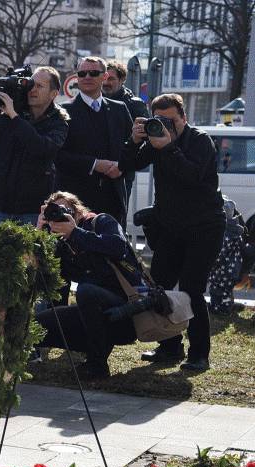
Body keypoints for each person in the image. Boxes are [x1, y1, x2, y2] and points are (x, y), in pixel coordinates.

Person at [122, 93, 226, 372]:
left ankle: (199, 354)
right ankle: (169, 347)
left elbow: (192, 176)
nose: (165, 125)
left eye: (170, 120)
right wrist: (134, 140)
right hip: (171, 225)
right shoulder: (155, 140)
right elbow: (127, 165)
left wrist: (167, 147)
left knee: (192, 288)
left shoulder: (200, 140)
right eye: (160, 120)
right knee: (161, 286)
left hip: (205, 226)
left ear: (183, 117)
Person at [33, 191, 144, 379]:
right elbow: (42, 274)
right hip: (94, 314)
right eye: (54, 212)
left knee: (86, 291)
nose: (60, 215)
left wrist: (75, 232)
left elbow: (116, 247)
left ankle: (97, 364)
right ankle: (93, 350)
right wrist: (40, 233)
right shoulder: (62, 243)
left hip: (128, 311)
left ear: (77, 210)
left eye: (64, 210)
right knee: (38, 325)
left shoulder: (101, 222)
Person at [0, 66, 69, 227]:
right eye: (31, 84)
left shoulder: (58, 122)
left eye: (39, 86)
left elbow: (42, 148)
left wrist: (15, 117)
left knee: (29, 253)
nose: (32, 90)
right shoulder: (10, 115)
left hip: (33, 209)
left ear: (54, 94)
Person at [56, 57, 134, 226]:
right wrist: (94, 164)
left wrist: (122, 166)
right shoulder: (63, 112)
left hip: (113, 199)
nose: (87, 77)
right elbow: (57, 155)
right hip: (76, 203)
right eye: (82, 73)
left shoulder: (119, 109)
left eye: (93, 73)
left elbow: (132, 148)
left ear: (104, 76)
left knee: (113, 249)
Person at [103, 60, 148, 205]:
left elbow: (145, 139)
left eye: (111, 78)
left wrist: (125, 165)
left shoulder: (134, 104)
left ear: (122, 80)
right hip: (96, 170)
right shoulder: (94, 102)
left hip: (121, 173)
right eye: (104, 78)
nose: (106, 82)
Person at [208, 200, 247, 315]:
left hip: (221, 270)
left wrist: (211, 262)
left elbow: (220, 253)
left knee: (216, 290)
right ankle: (227, 306)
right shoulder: (236, 229)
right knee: (226, 291)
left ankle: (218, 308)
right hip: (233, 267)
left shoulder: (224, 234)